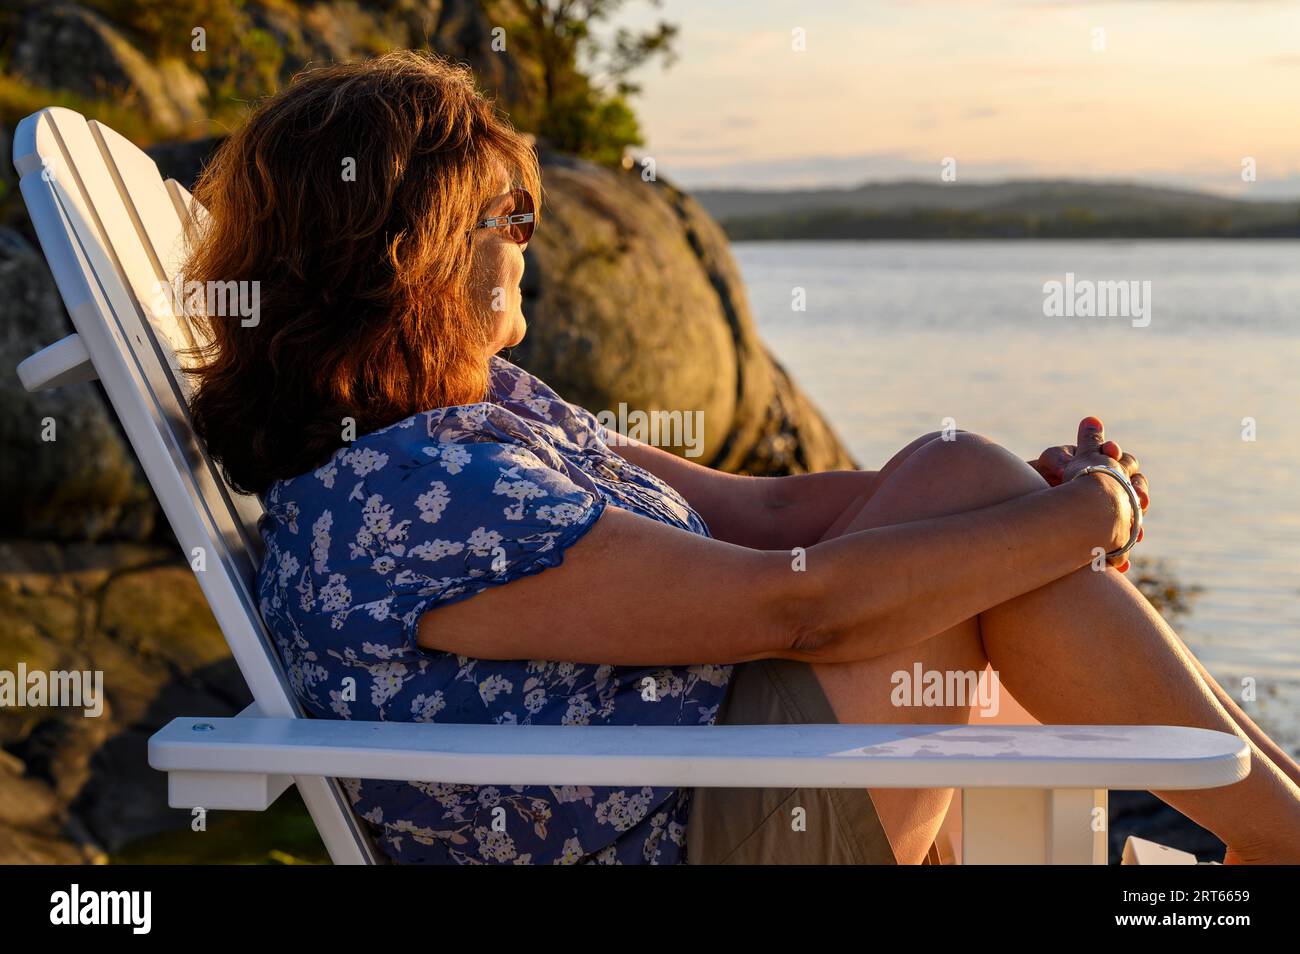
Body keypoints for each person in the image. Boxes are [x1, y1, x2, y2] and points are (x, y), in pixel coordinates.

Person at [182, 51, 1300, 865]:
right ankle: (1277, 838)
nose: (531, 242)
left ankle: (1280, 831)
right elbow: (793, 613)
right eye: (508, 218)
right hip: (702, 823)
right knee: (986, 507)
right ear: (417, 254)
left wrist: (1031, 511)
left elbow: (762, 517)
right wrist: (1079, 522)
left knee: (968, 479)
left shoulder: (475, 418)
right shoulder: (413, 495)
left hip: (729, 772)